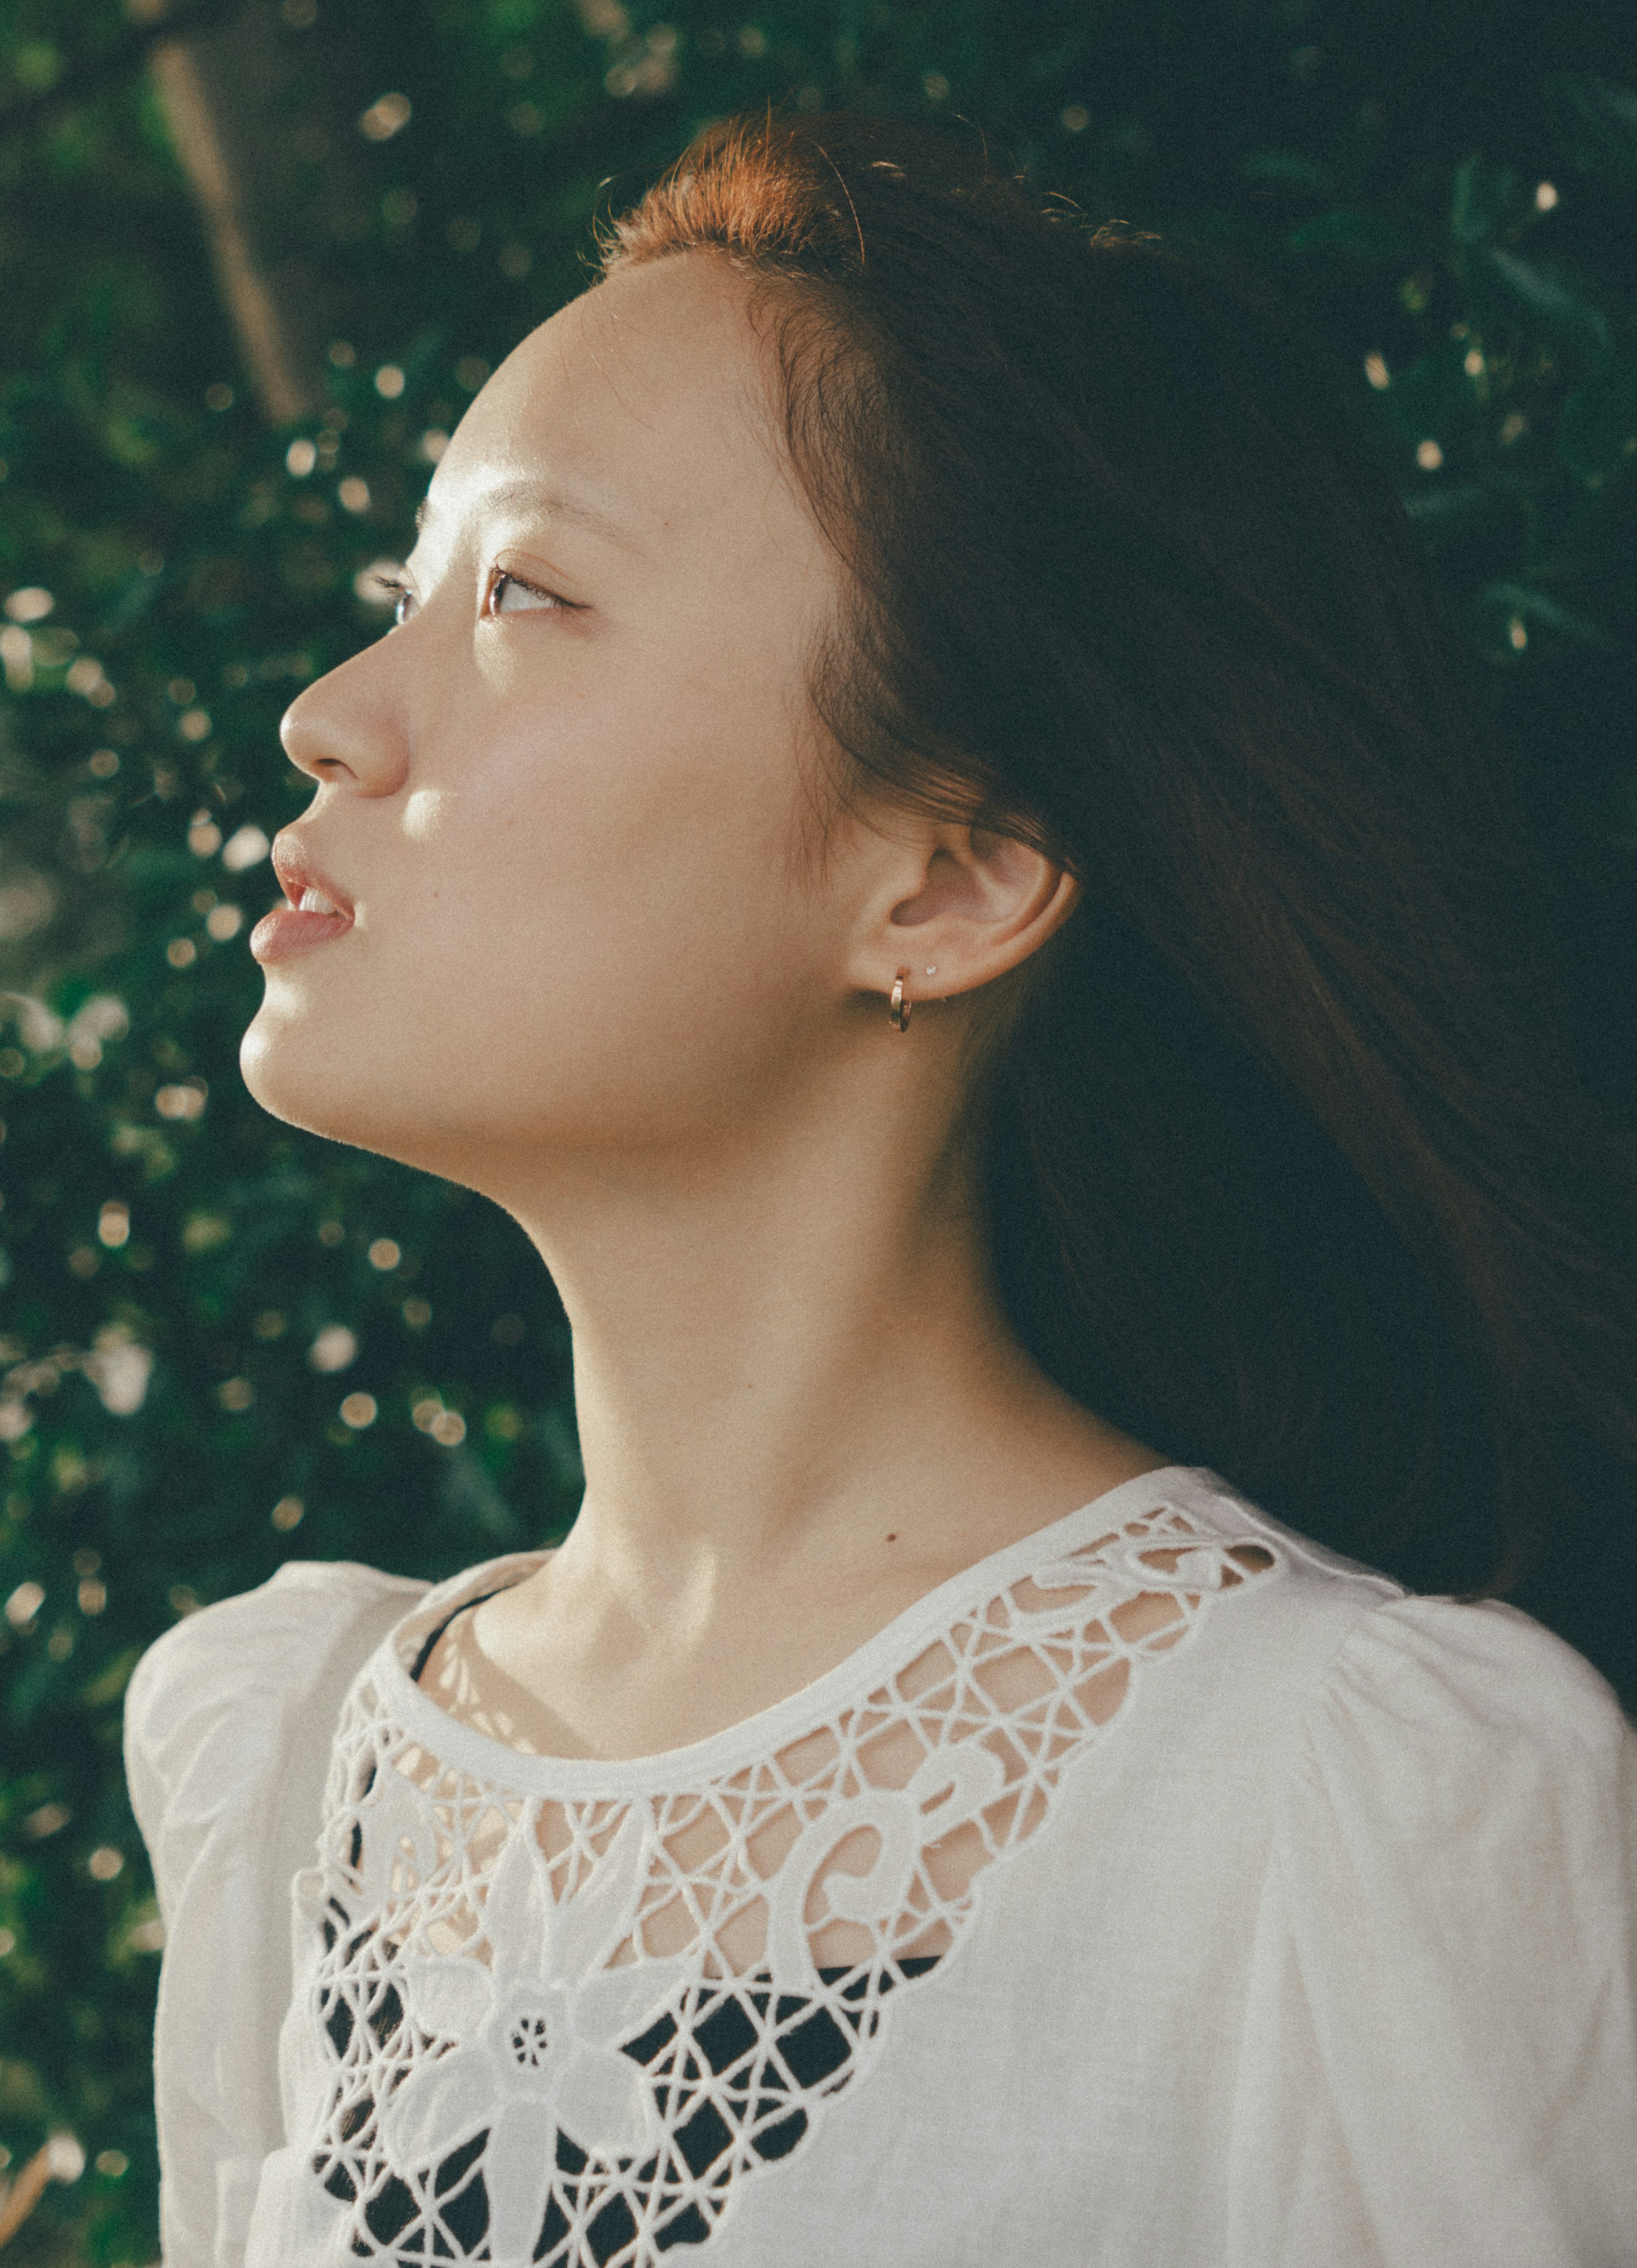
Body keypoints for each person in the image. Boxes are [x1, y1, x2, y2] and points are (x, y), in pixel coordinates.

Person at [126, 115, 1637, 2268]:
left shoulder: (1352, 1807)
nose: (328, 717)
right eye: (405, 598)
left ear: (948, 880)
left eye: (526, 594)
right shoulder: (285, 1764)